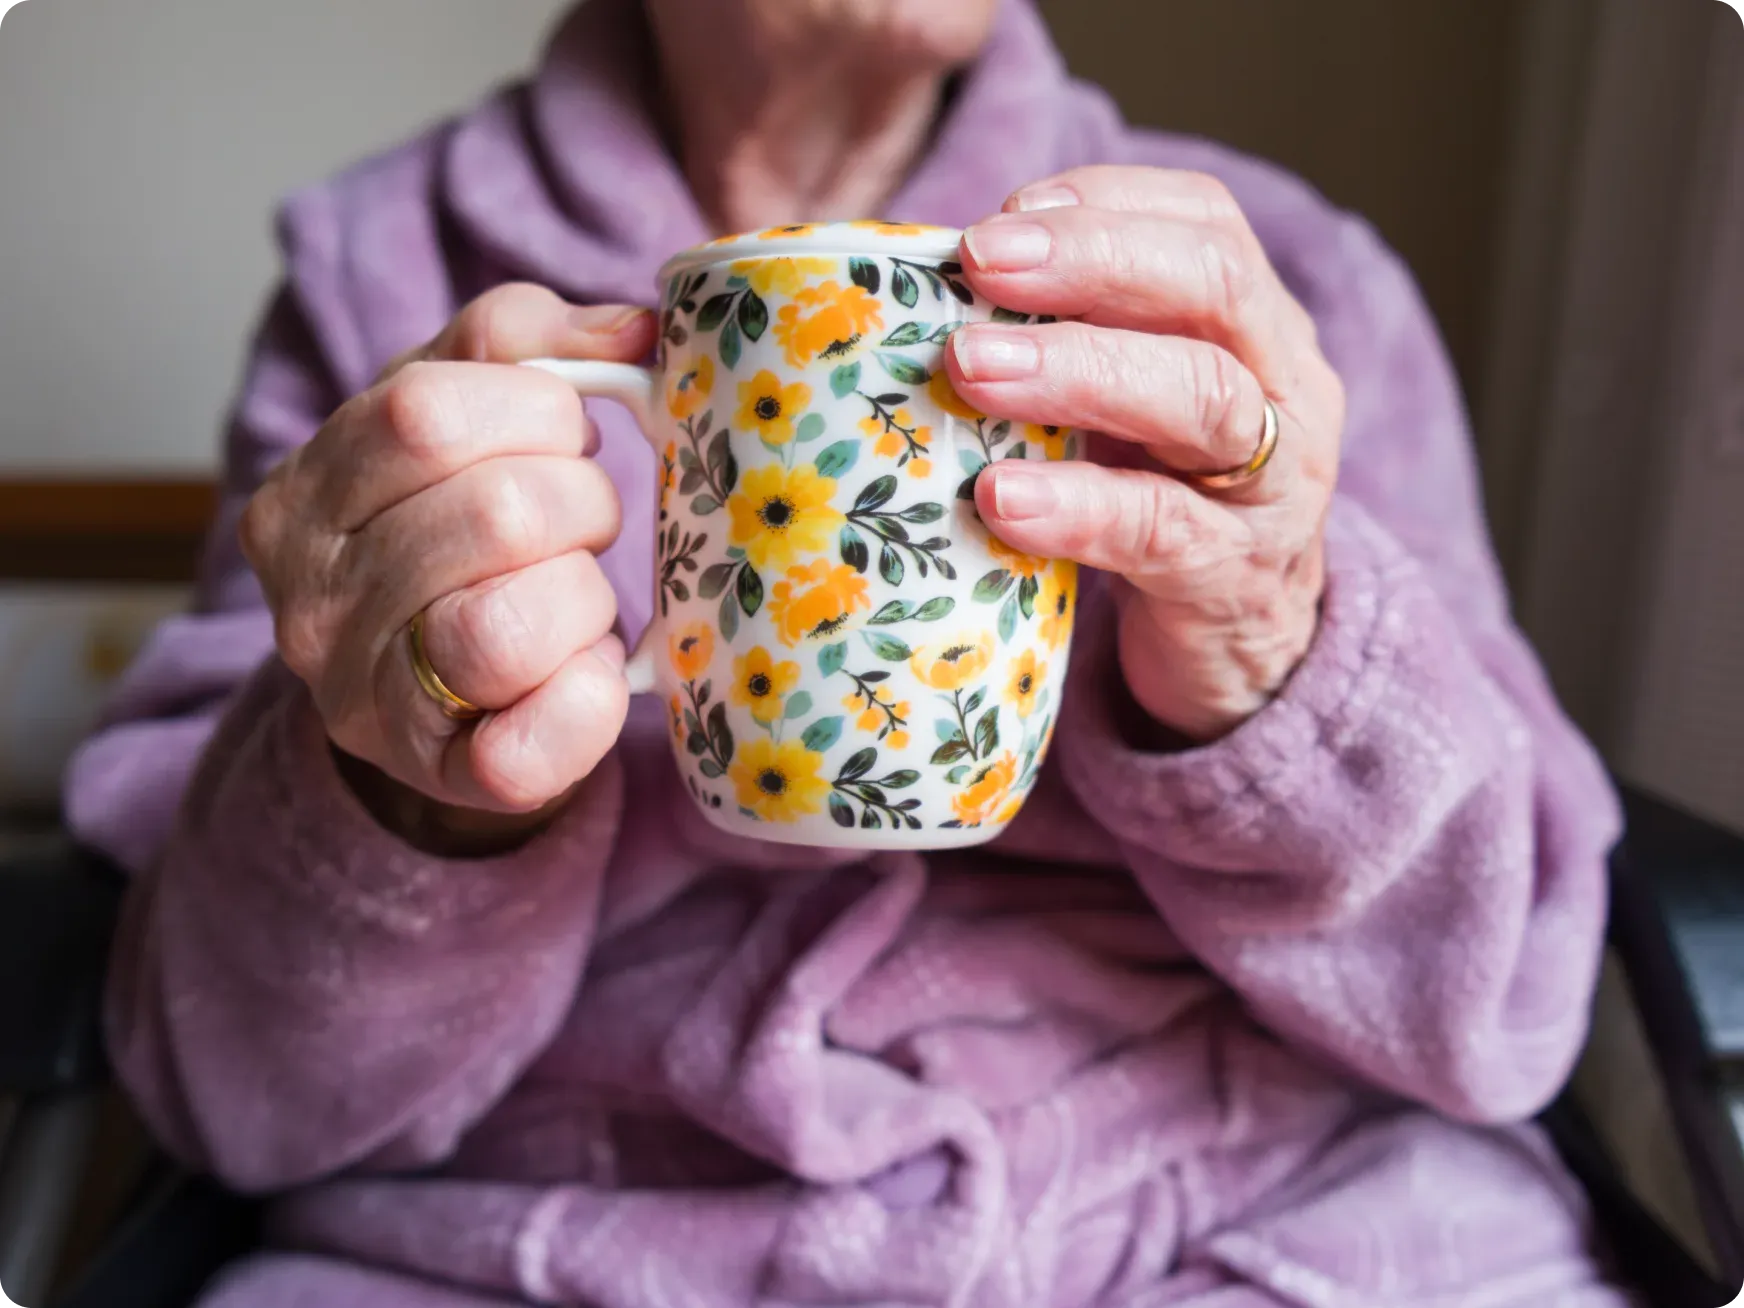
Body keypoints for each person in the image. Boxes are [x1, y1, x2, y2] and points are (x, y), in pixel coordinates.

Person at [65, 0, 1632, 1304]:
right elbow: (235, 1093)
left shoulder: (1281, 283)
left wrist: (1270, 649)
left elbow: (1502, 1009)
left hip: (1242, 1215)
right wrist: (404, 783)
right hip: (550, 1240)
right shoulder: (382, 278)